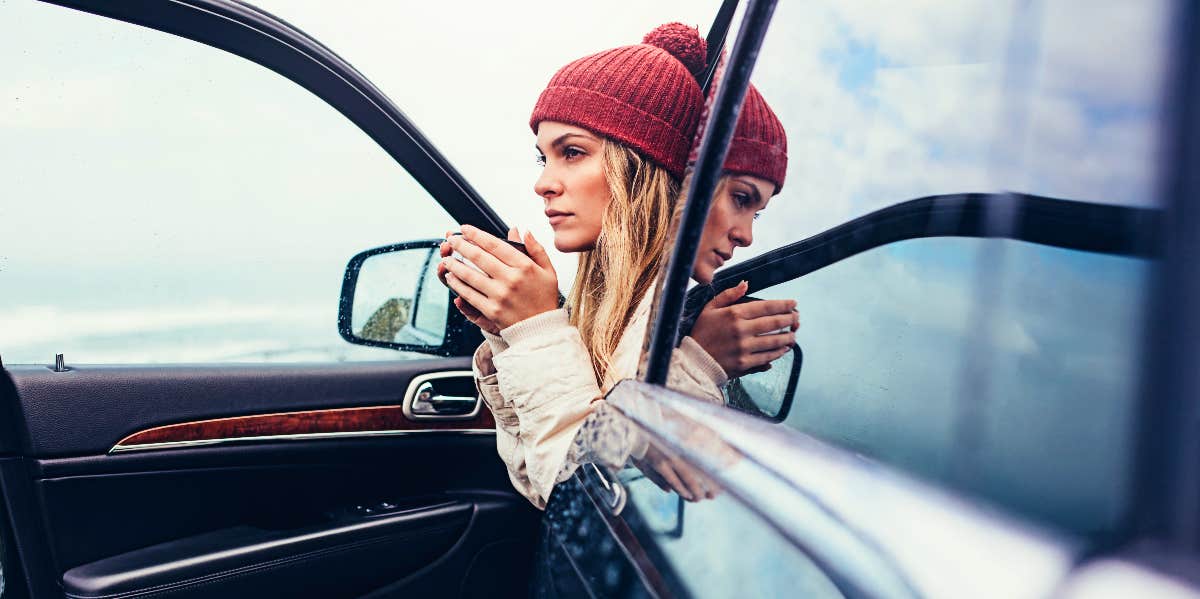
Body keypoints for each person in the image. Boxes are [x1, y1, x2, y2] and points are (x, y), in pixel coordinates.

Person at [439, 23, 728, 509]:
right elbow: (537, 482)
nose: (544, 184)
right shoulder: (608, 304)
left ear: (641, 166)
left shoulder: (670, 317)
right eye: (543, 159)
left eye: (572, 152)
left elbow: (591, 501)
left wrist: (536, 330)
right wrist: (506, 335)